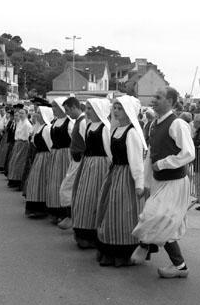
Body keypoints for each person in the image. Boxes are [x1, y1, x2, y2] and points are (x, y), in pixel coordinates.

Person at [132, 87, 195, 278]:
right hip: (160, 182)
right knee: (161, 220)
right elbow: (151, 155)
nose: (153, 100)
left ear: (170, 100)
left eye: (158, 97)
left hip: (175, 183)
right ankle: (180, 266)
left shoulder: (177, 124)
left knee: (156, 216)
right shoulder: (153, 125)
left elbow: (189, 153)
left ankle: (145, 247)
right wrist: (145, 183)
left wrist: (164, 163)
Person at [96, 95, 146, 267]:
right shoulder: (116, 130)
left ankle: (123, 252)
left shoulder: (131, 132)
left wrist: (139, 185)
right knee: (111, 211)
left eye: (120, 108)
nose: (116, 111)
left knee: (124, 212)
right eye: (115, 107)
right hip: (115, 173)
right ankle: (110, 248)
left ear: (128, 111)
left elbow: (137, 161)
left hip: (126, 177)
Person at [72, 98, 112, 249]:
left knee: (94, 198)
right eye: (87, 108)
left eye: (89, 108)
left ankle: (93, 234)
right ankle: (83, 231)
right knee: (83, 198)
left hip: (100, 166)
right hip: (88, 164)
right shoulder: (89, 126)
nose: (87, 111)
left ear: (97, 110)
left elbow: (110, 152)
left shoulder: (105, 128)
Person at [58, 97, 86, 230]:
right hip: (75, 160)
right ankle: (71, 216)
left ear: (75, 107)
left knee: (67, 188)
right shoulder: (78, 121)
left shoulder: (83, 122)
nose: (67, 113)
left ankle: (71, 216)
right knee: (68, 188)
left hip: (80, 161)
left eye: (68, 110)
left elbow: (88, 143)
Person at [46, 97, 74, 224]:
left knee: (63, 182)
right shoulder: (55, 122)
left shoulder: (69, 123)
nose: (53, 109)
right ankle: (54, 209)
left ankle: (64, 212)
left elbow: (74, 141)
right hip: (55, 154)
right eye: (52, 107)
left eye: (55, 106)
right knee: (53, 182)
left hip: (65, 155)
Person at [25, 106, 54, 218]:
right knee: (35, 181)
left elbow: (50, 146)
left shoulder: (47, 128)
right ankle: (35, 206)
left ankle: (42, 208)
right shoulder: (39, 127)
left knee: (41, 181)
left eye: (39, 113)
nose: (36, 115)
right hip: (39, 157)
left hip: (45, 157)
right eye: (37, 113)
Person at [7, 108, 33, 188]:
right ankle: (13, 179)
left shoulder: (27, 124)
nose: (21, 115)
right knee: (14, 161)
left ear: (26, 114)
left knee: (20, 162)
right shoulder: (19, 123)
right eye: (20, 113)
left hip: (23, 144)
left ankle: (18, 181)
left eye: (23, 113)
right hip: (18, 143)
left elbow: (27, 136)